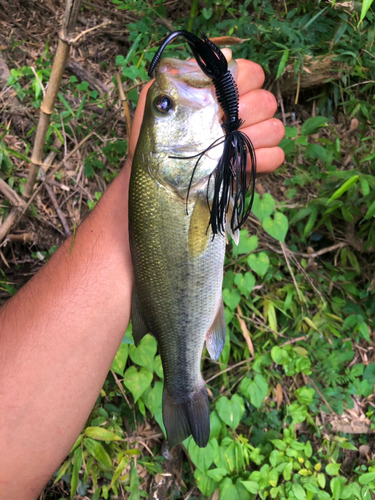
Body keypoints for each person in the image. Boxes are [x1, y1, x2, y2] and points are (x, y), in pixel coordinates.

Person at [0, 54, 285, 500]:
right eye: (166, 108)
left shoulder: (171, 175)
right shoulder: (173, 179)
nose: (171, 98)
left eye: (162, 106)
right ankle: (183, 383)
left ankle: (183, 380)